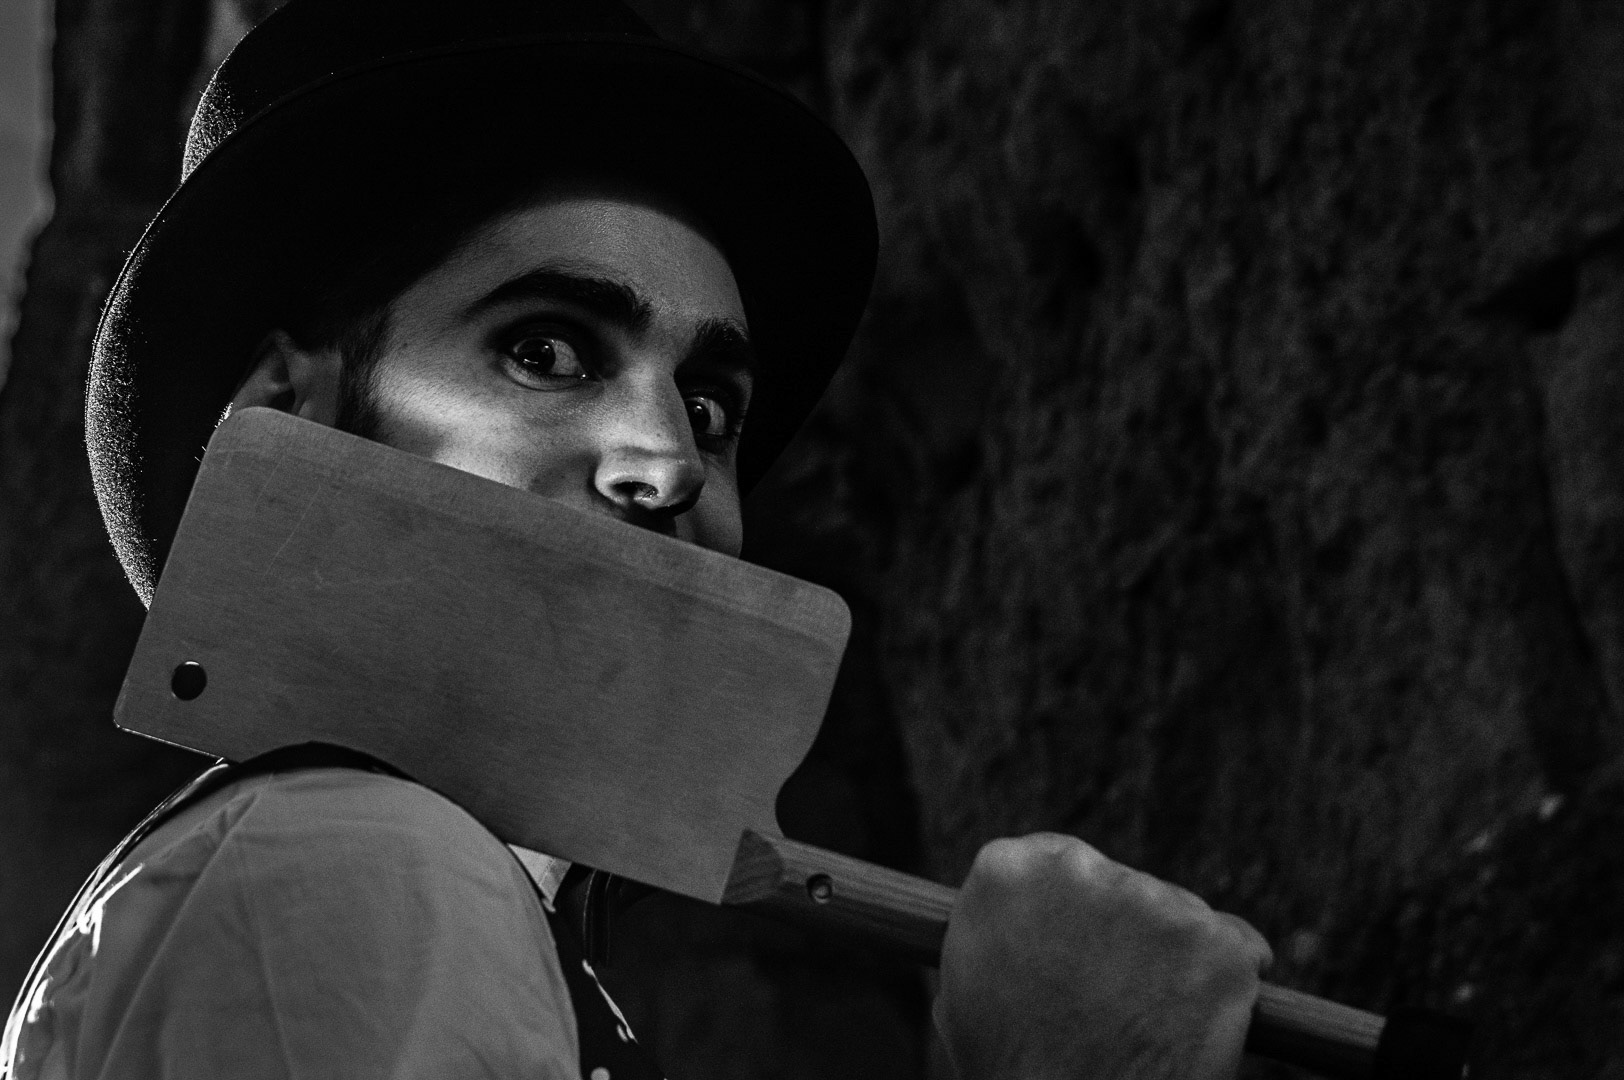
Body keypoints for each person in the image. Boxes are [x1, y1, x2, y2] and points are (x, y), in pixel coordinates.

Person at [2, 0, 1271, 1078]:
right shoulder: (362, 860)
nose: (671, 463)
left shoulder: (395, 884)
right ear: (291, 413)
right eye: (546, 350)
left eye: (709, 409)